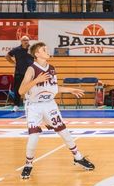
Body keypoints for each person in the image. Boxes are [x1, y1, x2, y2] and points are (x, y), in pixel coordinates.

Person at [18, 42, 94, 179]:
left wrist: (70, 90)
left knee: (64, 131)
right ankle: (28, 164)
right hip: (34, 106)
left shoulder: (52, 68)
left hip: (49, 104)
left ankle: (78, 157)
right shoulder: (31, 69)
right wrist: (36, 80)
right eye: (44, 49)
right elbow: (21, 91)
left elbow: (52, 88)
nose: (47, 51)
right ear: (37, 54)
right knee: (34, 136)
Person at [5, 35, 34, 112]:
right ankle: (16, 106)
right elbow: (7, 56)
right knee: (17, 89)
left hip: (30, 73)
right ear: (21, 41)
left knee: (31, 89)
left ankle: (30, 105)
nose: (26, 41)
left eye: (27, 40)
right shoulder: (16, 49)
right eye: (24, 40)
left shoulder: (32, 49)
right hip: (19, 73)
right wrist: (13, 63)